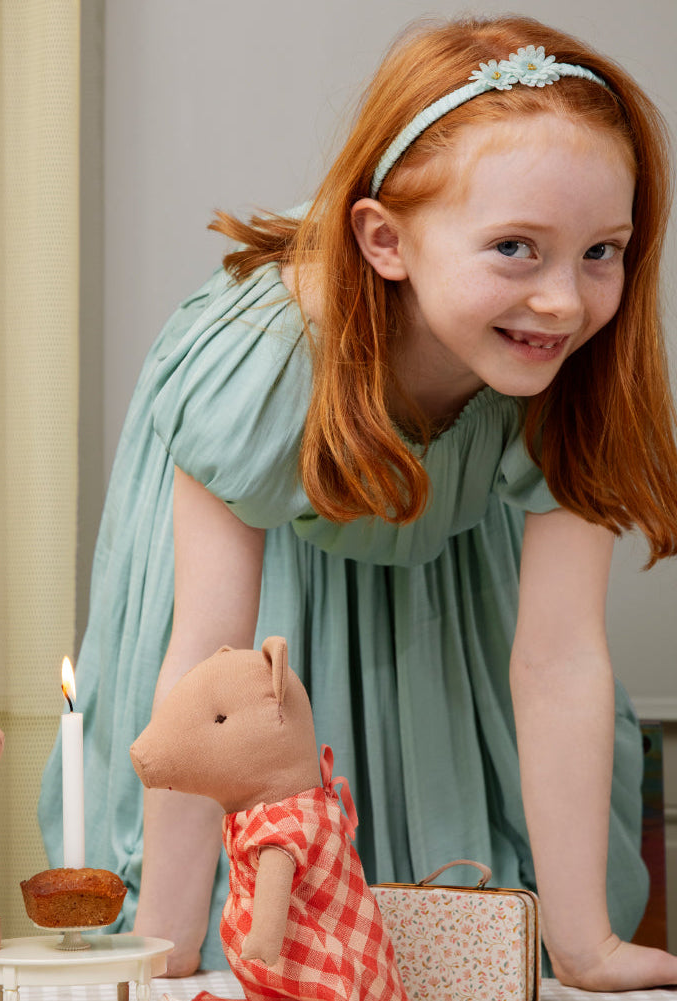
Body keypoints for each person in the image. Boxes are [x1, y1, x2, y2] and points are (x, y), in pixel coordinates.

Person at [38, 13, 677, 991]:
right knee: (249, 908)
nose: (564, 299)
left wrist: (582, 942)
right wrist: (163, 955)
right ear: (385, 242)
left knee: (451, 925)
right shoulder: (262, 358)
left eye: (602, 250)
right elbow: (209, 663)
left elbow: (556, 657)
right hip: (264, 598)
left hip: (442, 576)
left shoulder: (571, 359)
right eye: (516, 246)